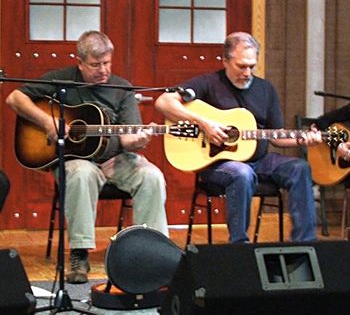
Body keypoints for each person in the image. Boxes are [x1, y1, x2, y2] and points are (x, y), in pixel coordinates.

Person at [6, 30, 168, 284]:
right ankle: (79, 253)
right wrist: (48, 122)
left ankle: (153, 251)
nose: (103, 70)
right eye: (95, 65)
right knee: (82, 173)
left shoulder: (121, 88)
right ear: (80, 62)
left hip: (116, 159)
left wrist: (138, 140)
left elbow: (129, 137)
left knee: (152, 176)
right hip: (75, 161)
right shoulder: (60, 80)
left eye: (107, 63)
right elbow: (14, 97)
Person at [155, 31, 322, 243]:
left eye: (252, 66)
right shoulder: (208, 83)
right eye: (241, 66)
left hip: (260, 160)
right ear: (225, 60)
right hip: (219, 164)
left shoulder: (266, 89)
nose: (247, 72)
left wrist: (302, 139)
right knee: (241, 173)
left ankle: (305, 245)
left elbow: (277, 136)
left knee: (300, 168)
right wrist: (204, 123)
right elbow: (164, 102)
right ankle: (239, 246)